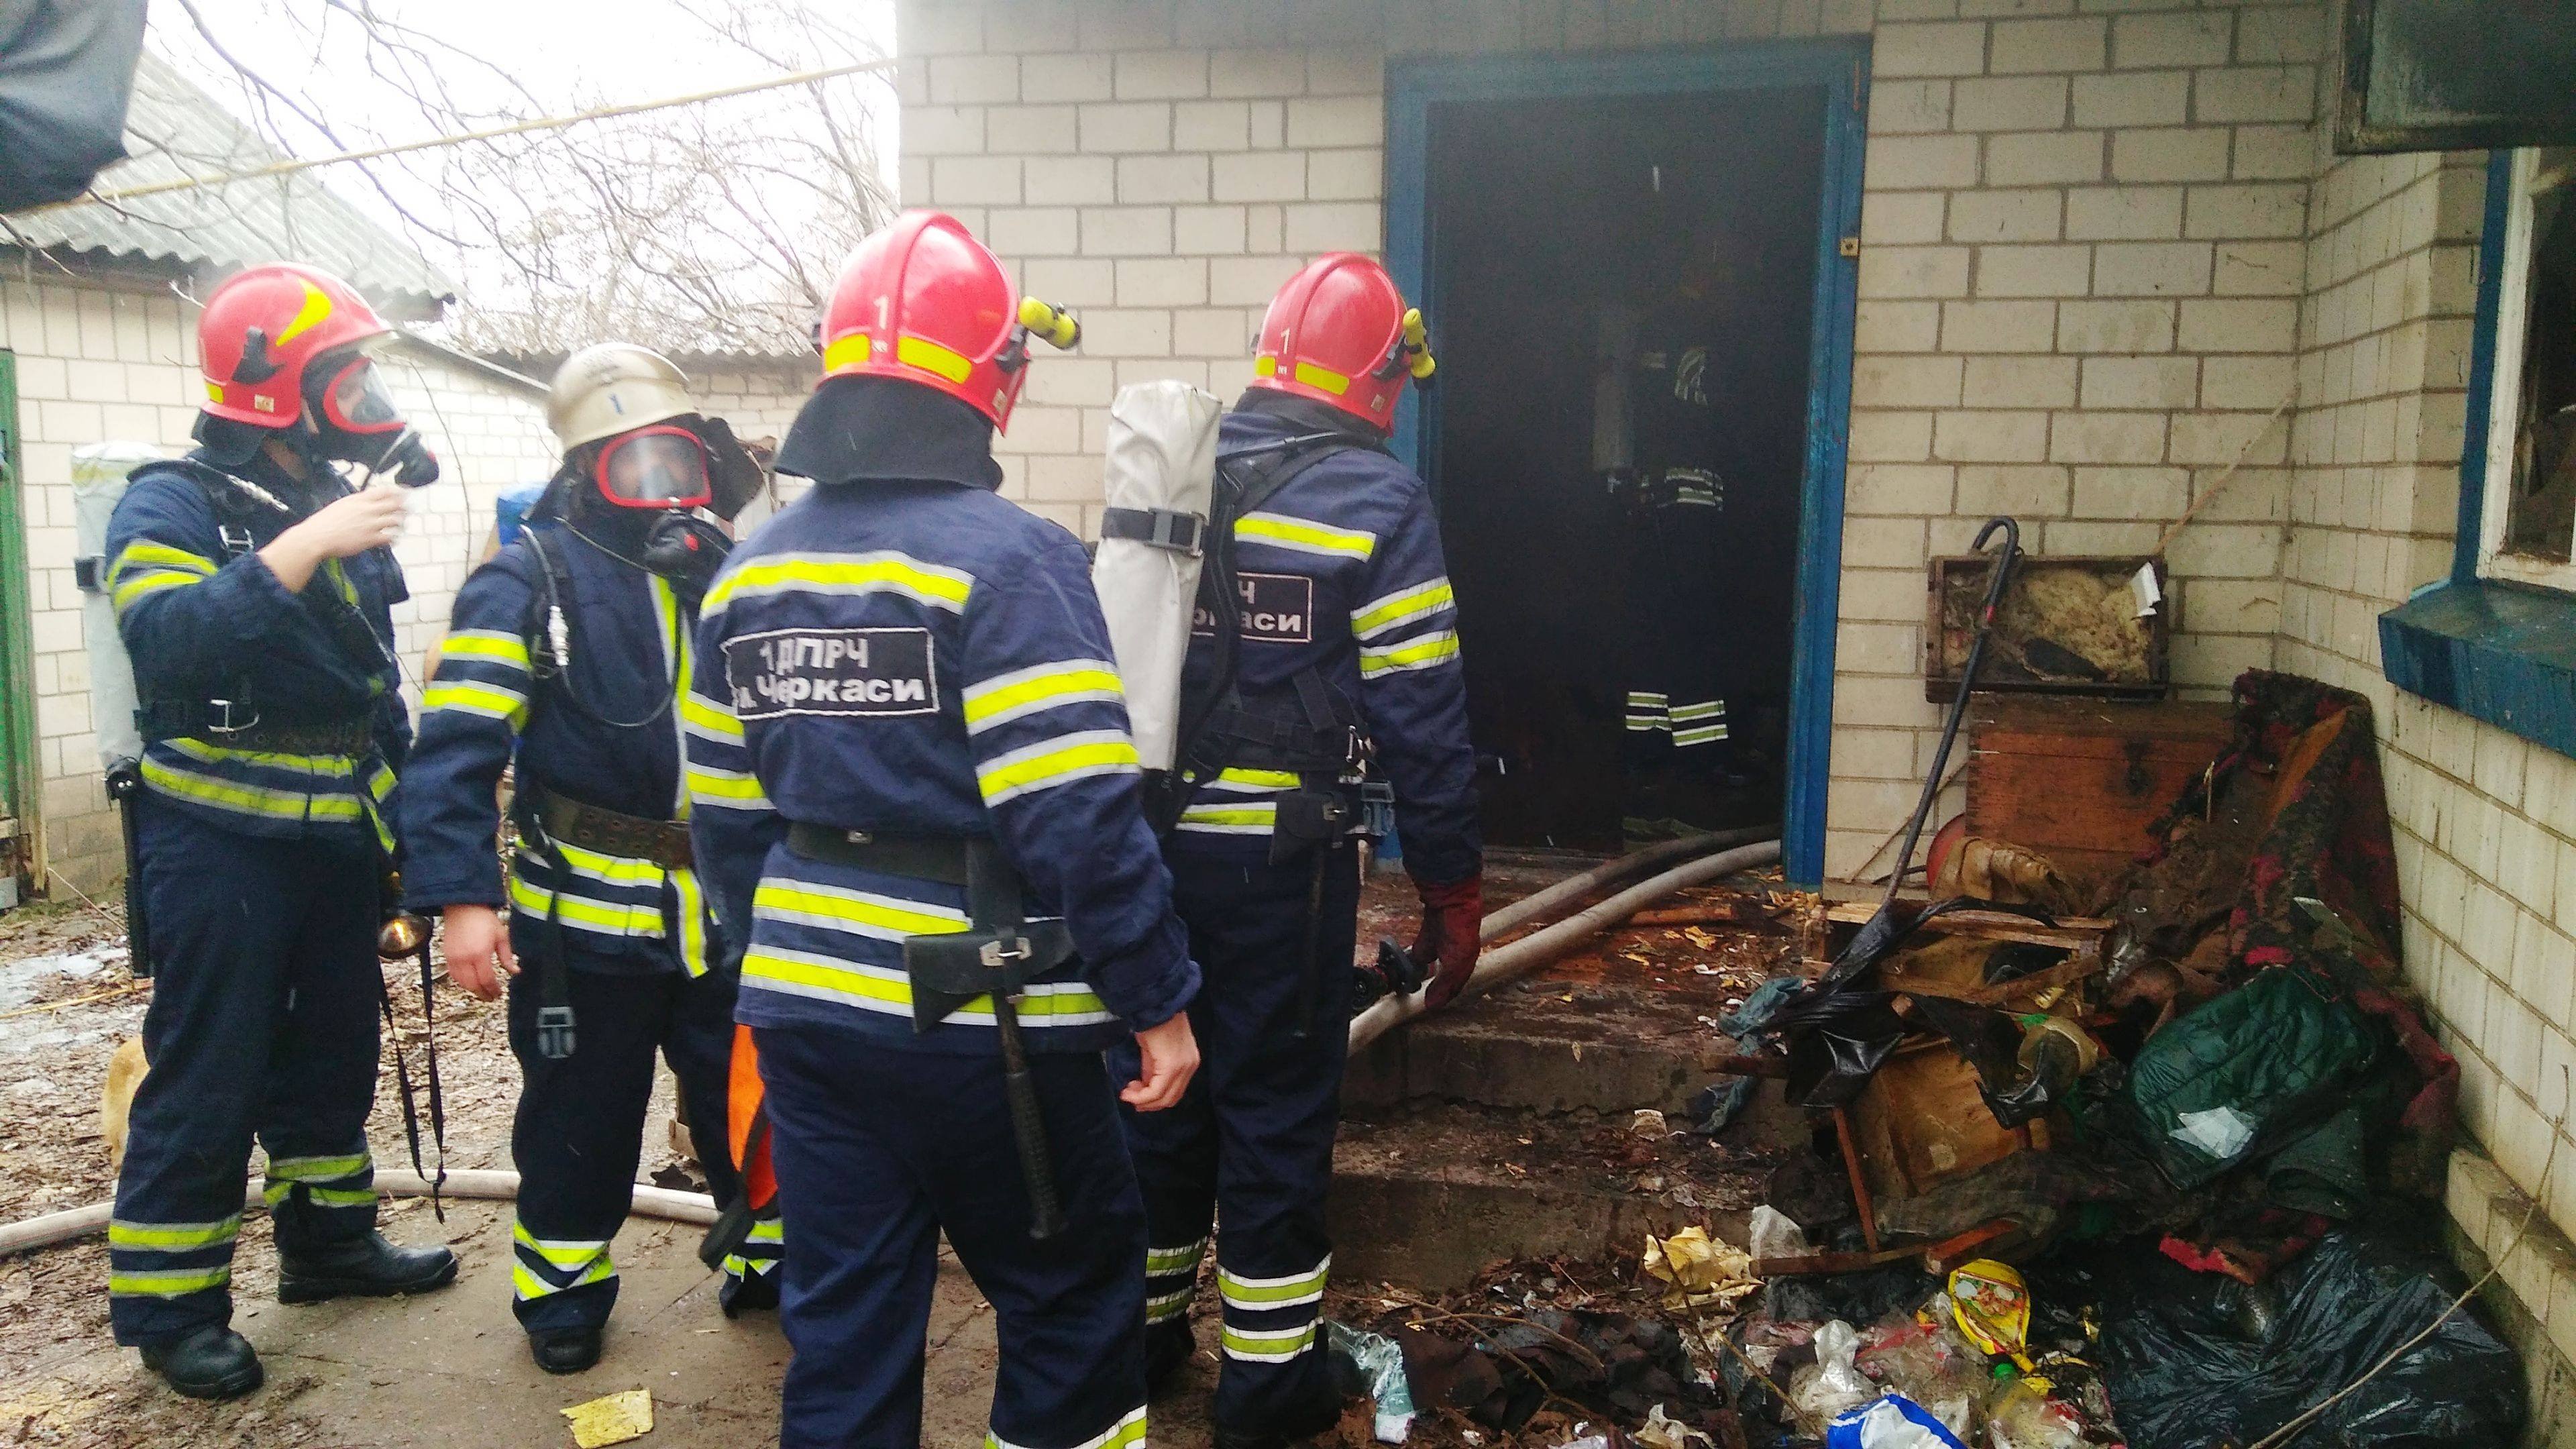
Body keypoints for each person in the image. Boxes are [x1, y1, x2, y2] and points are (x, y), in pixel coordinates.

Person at [686, 209, 1203, 1449]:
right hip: (992, 1022)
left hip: (807, 1017)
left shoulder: (745, 574)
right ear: (993, 385)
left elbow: (723, 818)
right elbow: (1077, 814)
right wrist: (1157, 1000)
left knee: (846, 1324)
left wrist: (790, 958)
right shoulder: (1012, 561)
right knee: (1070, 1308)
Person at [1122, 253, 1483, 1447]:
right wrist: (1452, 887)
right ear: (1379, 380)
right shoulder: (1379, 499)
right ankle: (1268, 1384)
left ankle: (1140, 1337)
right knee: (1274, 1114)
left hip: (1148, 859)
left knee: (1161, 1091)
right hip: (1285, 874)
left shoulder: (1176, 470)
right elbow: (1423, 712)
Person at [102, 262, 455, 1399]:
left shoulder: (329, 495)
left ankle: (328, 1245)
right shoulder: (169, 501)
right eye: (342, 372)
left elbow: (371, 685)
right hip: (216, 843)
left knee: (332, 1051)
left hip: (332, 838)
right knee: (211, 1065)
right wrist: (301, 548)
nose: (362, 393)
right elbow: (166, 637)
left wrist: (404, 836)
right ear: (277, 387)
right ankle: (173, 1311)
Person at [399, 343, 780, 1373]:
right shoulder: (527, 577)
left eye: (676, 458)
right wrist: (463, 899)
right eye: (630, 461)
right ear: (583, 467)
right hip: (584, 922)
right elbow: (456, 746)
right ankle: (562, 1291)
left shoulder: (735, 569)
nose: (660, 483)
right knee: (582, 1113)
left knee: (753, 1098)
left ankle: (770, 1257)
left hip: (730, 908)